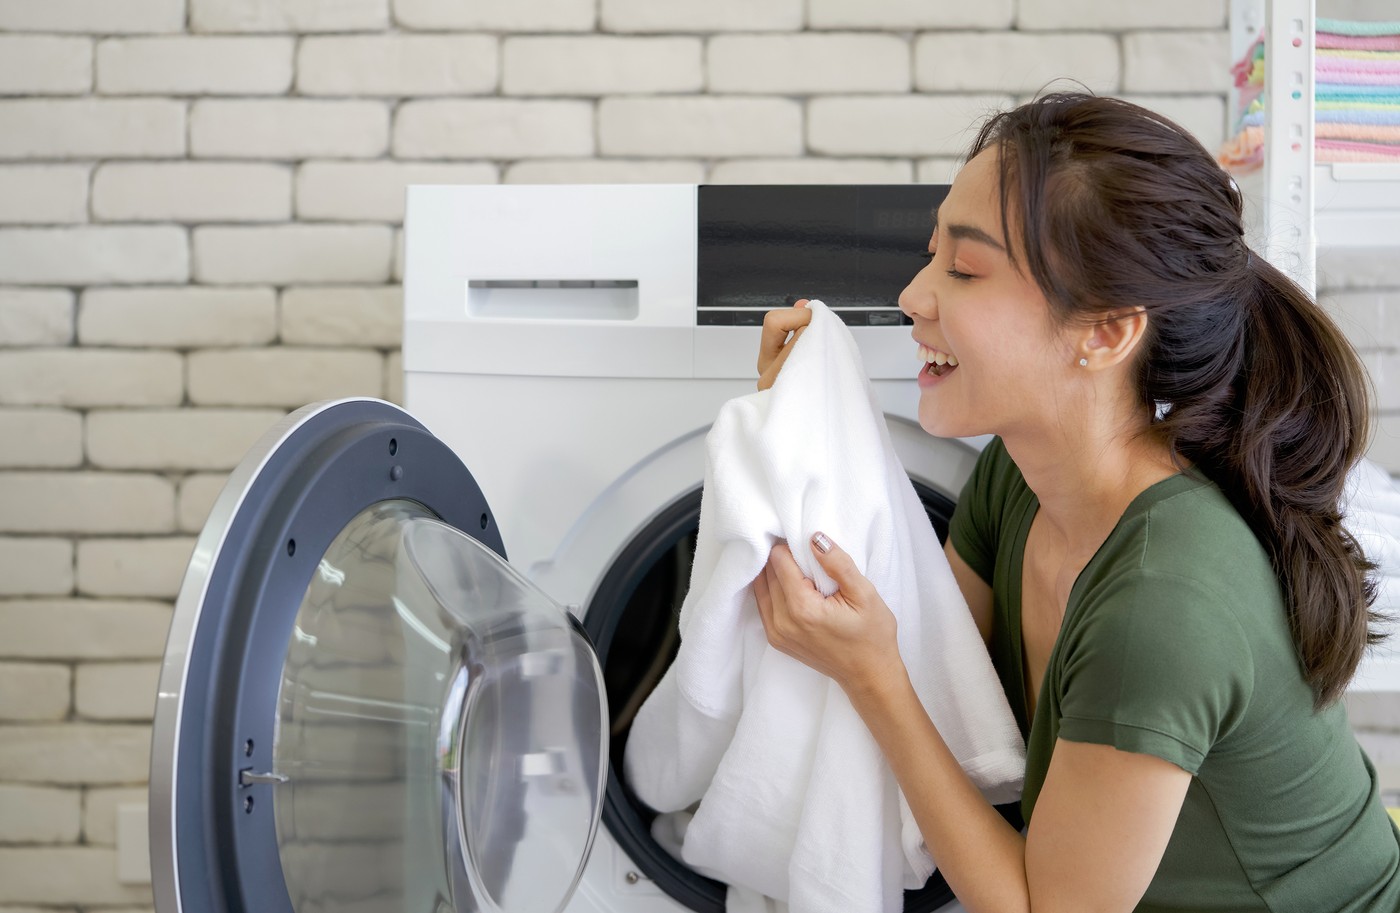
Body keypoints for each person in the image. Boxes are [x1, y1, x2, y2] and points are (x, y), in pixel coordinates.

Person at [751, 92, 1400, 912]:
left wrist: (872, 675)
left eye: (965, 268)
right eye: (930, 253)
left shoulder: (1162, 599)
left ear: (1105, 332)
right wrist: (796, 439)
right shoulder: (1015, 479)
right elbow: (931, 669)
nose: (913, 295)